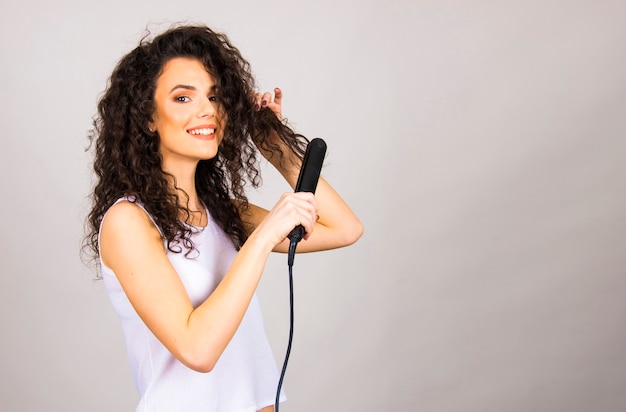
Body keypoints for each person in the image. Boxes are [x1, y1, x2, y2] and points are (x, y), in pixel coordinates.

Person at [84, 24, 363, 412]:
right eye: (183, 97)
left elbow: (345, 229)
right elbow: (198, 350)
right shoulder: (128, 221)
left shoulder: (224, 212)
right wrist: (263, 238)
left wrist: (270, 141)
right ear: (147, 117)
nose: (207, 109)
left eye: (215, 95)